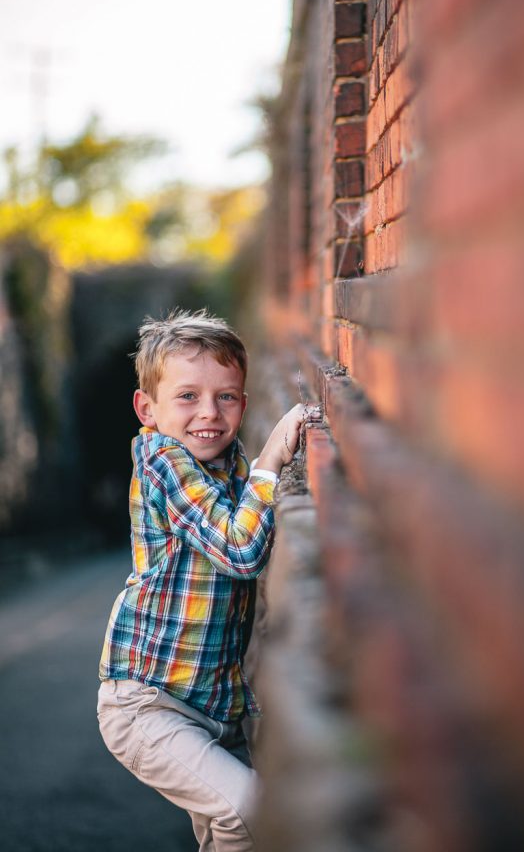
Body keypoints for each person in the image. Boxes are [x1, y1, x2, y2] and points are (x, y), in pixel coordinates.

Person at [97, 308, 318, 852]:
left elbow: (252, 518)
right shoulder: (162, 460)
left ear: (244, 402)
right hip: (148, 705)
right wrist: (272, 458)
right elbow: (241, 549)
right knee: (250, 812)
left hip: (215, 708)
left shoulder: (229, 461)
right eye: (187, 396)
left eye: (227, 396)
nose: (209, 413)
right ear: (146, 409)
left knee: (230, 836)